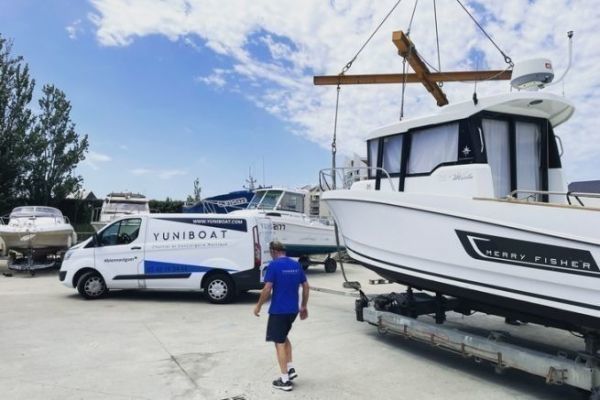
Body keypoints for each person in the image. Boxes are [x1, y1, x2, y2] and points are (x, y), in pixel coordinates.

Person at [253, 240, 309, 392]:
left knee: (279, 343)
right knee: (283, 337)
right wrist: (303, 305)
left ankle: (285, 380)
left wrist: (258, 306)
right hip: (292, 310)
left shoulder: (274, 265)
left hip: (279, 310)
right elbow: (306, 285)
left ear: (273, 251)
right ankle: (290, 368)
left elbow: (267, 289)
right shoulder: (296, 265)